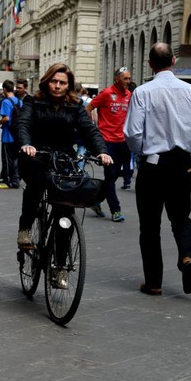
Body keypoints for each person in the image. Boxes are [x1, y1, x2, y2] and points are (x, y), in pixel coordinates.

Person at [124, 42, 191, 296]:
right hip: (182, 165)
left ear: (150, 64)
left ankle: (154, 282)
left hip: (153, 165)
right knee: (181, 218)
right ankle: (187, 256)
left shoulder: (142, 92)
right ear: (173, 62)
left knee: (150, 226)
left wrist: (141, 152)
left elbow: (133, 133)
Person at [16, 63, 112, 253]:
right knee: (36, 184)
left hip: (63, 159)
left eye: (62, 82)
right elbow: (23, 123)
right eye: (54, 81)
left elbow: (90, 130)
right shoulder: (32, 101)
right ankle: (25, 228)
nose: (57, 86)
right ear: (47, 82)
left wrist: (102, 151)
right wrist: (26, 144)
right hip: (36, 155)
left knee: (65, 211)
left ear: (68, 85)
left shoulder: (75, 106)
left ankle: (60, 265)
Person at [85, 66, 132, 221]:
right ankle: (115, 210)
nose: (128, 81)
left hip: (123, 141)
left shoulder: (129, 95)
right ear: (116, 78)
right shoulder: (106, 93)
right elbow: (89, 107)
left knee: (113, 177)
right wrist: (92, 127)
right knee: (110, 174)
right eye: (125, 78)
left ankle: (95, 200)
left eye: (129, 78)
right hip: (107, 142)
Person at [0, 79, 21, 189]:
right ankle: (11, 178)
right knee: (15, 158)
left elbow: (6, 118)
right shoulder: (19, 101)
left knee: (6, 158)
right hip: (17, 134)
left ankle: (10, 180)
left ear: (4, 89)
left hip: (8, 134)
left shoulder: (5, 101)